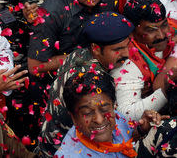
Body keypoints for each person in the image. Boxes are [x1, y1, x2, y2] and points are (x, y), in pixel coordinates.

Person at [38, 11, 134, 157]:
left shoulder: (79, 54)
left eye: (127, 46)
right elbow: (107, 119)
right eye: (117, 49)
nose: (126, 54)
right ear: (96, 48)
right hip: (68, 148)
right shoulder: (92, 79)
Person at [55, 71, 165, 157]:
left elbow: (126, 138)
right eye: (87, 113)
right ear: (73, 118)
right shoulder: (70, 155)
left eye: (104, 109)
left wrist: (140, 130)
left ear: (114, 106)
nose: (99, 119)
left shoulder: (118, 118)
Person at [111, 0, 177, 121]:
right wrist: (166, 88)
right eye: (151, 30)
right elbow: (125, 114)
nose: (162, 35)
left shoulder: (169, 28)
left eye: (163, 25)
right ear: (132, 32)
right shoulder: (127, 63)